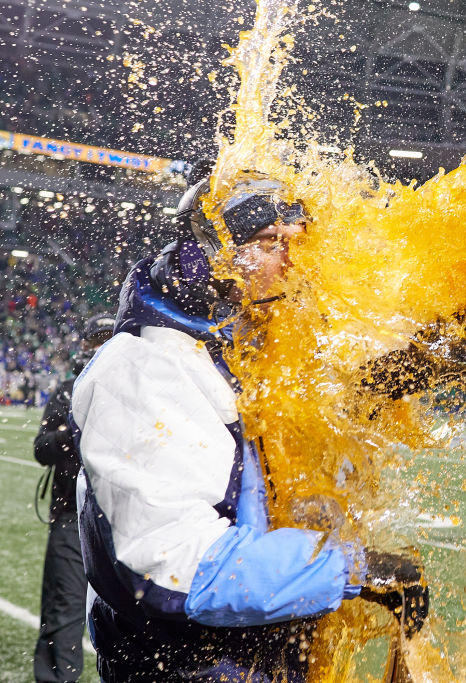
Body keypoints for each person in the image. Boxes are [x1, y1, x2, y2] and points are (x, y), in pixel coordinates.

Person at [70, 172, 428, 681]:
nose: (289, 261)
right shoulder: (146, 366)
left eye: (293, 243)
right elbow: (179, 569)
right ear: (210, 251)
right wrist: (350, 569)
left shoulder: (238, 353)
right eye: (267, 242)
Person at [33, 313, 114, 683]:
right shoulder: (67, 390)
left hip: (119, 515)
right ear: (83, 345)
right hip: (70, 514)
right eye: (94, 339)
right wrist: (72, 426)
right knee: (63, 607)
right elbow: (42, 449)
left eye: (106, 338)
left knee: (126, 613)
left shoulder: (130, 387)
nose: (98, 346)